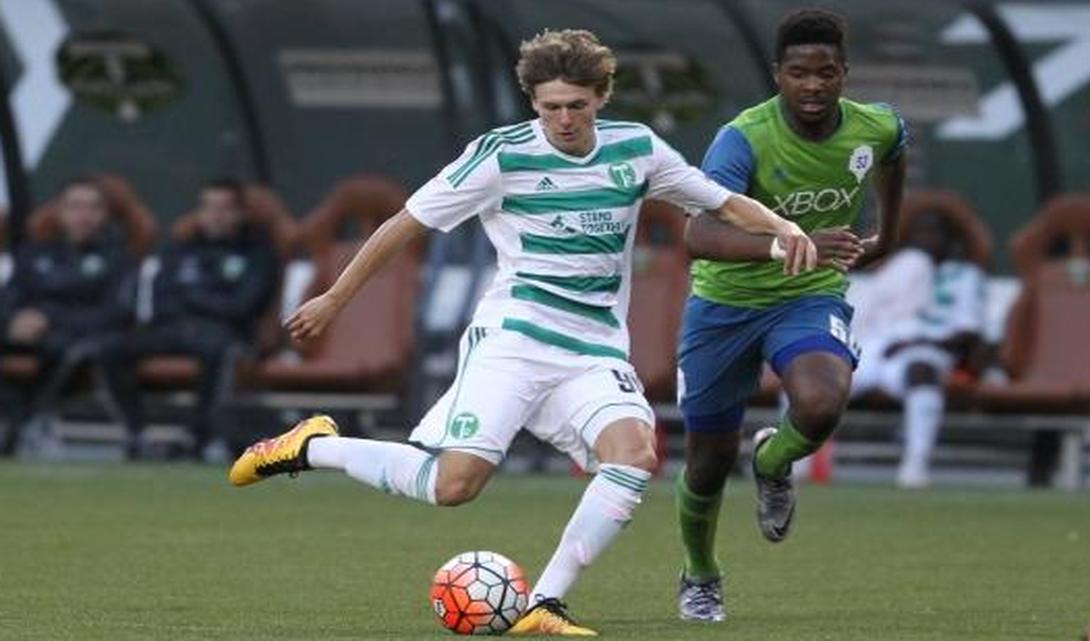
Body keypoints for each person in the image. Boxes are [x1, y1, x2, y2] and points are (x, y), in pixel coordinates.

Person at [227, 29, 816, 637]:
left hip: (594, 350)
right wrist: (333, 298)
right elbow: (403, 225)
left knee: (635, 453)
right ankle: (312, 447)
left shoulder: (636, 149)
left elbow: (722, 203)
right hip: (514, 338)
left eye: (577, 106)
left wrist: (786, 228)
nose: (563, 119)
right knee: (452, 487)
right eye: (550, 106)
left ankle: (545, 605)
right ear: (533, 102)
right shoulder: (499, 155)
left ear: (601, 98)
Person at [672, 9, 907, 622]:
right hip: (724, 302)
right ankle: (700, 575)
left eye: (825, 72)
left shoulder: (874, 126)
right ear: (778, 74)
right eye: (799, 72)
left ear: (843, 74)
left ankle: (773, 462)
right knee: (707, 459)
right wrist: (787, 243)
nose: (812, 85)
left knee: (824, 400)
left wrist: (885, 231)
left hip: (807, 294)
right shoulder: (742, 138)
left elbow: (896, 152)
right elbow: (697, 233)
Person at [98, 178, 277, 460]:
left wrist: (193, 297)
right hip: (174, 330)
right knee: (110, 348)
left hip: (226, 334)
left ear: (241, 214)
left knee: (219, 350)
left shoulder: (258, 253)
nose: (215, 215)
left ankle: (199, 437)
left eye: (225, 208)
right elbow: (161, 301)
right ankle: (136, 433)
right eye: (208, 207)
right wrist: (206, 300)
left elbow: (244, 306)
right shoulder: (179, 250)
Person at [848, 209, 986, 488]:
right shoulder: (903, 267)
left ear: (950, 240)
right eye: (921, 232)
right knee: (818, 372)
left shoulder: (964, 276)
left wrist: (917, 343)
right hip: (877, 350)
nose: (928, 239)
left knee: (921, 371)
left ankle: (915, 465)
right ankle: (793, 465)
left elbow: (967, 334)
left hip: (926, 351)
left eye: (935, 232)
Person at [0, 177, 134, 455]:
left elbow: (116, 314)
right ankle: (17, 419)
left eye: (92, 207)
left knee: (63, 347)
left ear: (104, 215)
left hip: (73, 339)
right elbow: (9, 299)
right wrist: (14, 320)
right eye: (75, 206)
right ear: (60, 213)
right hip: (22, 336)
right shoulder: (33, 254)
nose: (83, 215)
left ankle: (27, 422)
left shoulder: (118, 259)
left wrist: (48, 319)